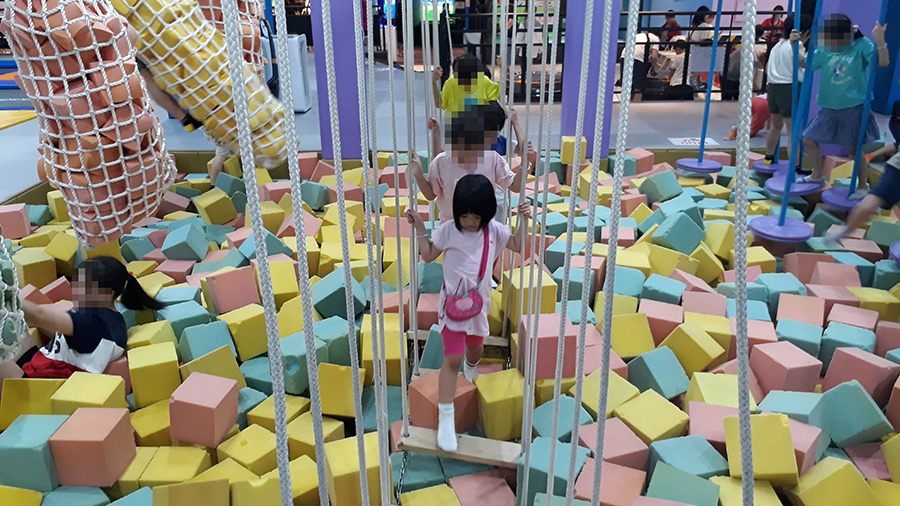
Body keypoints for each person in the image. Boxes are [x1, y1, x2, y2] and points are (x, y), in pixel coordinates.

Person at [405, 174, 531, 452]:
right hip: (451, 307)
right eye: (465, 216)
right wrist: (421, 228)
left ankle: (471, 370)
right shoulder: (450, 230)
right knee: (452, 359)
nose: (471, 222)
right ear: (457, 212)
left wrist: (523, 219)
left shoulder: (494, 231)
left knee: (475, 349)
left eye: (476, 217)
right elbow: (428, 254)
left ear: (487, 214)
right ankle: (446, 418)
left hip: (477, 306)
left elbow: (518, 245)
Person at [16, 257, 164, 378]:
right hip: (44, 364)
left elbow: (38, 316)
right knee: (15, 329)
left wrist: (9, 298)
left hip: (45, 382)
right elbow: (59, 333)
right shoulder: (112, 319)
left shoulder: (92, 322)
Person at [798, 15, 889, 200]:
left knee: (853, 149)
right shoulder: (825, 47)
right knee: (808, 139)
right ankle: (817, 174)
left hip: (853, 106)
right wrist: (797, 45)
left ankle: (863, 185)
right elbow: (805, 63)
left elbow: (883, 62)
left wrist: (880, 40)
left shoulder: (862, 44)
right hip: (829, 107)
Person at [411, 106, 525, 223]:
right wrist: (419, 176)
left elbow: (515, 186)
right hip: (451, 226)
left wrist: (524, 165)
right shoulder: (441, 161)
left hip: (484, 226)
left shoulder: (492, 157)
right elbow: (431, 194)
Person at [828, 106, 900, 242]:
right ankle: (846, 230)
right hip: (897, 168)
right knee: (872, 202)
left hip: (896, 167)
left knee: (873, 201)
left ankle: (846, 230)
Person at [761, 14, 812, 166]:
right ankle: (794, 167)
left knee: (775, 126)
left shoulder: (777, 46)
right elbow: (803, 63)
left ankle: (768, 158)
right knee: (792, 131)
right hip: (789, 87)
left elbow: (767, 68)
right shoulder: (797, 45)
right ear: (804, 33)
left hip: (773, 87)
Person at [432, 53, 501, 114]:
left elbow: (498, 96)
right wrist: (434, 82)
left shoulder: (483, 80)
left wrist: (502, 69)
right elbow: (439, 103)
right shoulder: (451, 83)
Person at [723, 25, 768, 100]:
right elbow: (749, 76)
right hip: (731, 71)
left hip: (736, 70)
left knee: (737, 96)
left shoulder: (762, 47)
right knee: (729, 96)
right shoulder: (753, 53)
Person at [632, 28, 661, 102]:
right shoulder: (656, 38)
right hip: (638, 60)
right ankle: (636, 106)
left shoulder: (638, 35)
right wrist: (653, 69)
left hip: (624, 57)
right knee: (638, 88)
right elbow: (654, 56)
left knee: (628, 84)